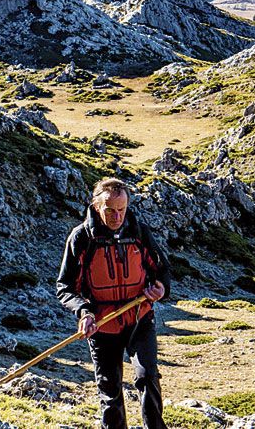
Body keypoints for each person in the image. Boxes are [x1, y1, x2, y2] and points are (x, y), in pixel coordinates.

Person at [57, 177, 172, 429]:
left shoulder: (139, 232)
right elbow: (65, 287)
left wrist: (160, 289)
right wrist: (84, 312)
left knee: (147, 377)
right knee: (110, 391)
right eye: (110, 210)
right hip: (101, 326)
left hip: (139, 319)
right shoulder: (81, 239)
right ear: (96, 206)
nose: (117, 216)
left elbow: (161, 270)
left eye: (122, 209)